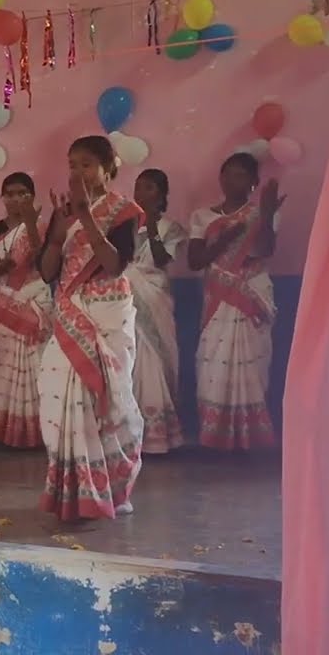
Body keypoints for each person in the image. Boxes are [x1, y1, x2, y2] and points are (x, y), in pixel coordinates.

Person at [37, 136, 144, 521]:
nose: (77, 172)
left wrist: (85, 218)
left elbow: (115, 266)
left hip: (106, 313)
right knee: (58, 395)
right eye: (72, 164)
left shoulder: (124, 211)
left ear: (108, 168)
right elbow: (47, 271)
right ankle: (72, 488)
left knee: (109, 401)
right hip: (69, 314)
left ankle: (112, 488)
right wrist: (58, 228)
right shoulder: (62, 212)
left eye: (85, 164)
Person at [188, 153, 285, 451]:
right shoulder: (202, 216)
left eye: (241, 175)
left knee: (253, 365)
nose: (232, 180)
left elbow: (265, 250)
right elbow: (195, 261)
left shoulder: (262, 212)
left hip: (250, 294)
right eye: (227, 173)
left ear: (254, 183)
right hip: (218, 297)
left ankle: (250, 438)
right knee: (211, 363)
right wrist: (224, 239)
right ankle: (214, 436)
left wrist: (267, 215)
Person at [0, 172, 51, 448]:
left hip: (34, 302)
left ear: (32, 197)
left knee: (37, 366)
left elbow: (46, 263)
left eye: (23, 193)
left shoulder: (42, 226)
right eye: (9, 193)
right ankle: (6, 433)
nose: (16, 198)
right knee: (5, 366)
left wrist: (31, 224)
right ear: (2, 198)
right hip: (5, 304)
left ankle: (39, 433)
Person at [126, 169, 187, 454]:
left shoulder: (171, 228)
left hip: (154, 297)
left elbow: (163, 259)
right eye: (138, 187)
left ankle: (157, 436)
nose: (141, 193)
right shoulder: (123, 224)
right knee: (130, 362)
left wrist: (151, 225)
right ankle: (128, 433)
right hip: (124, 300)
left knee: (154, 362)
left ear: (161, 195)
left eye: (149, 188)